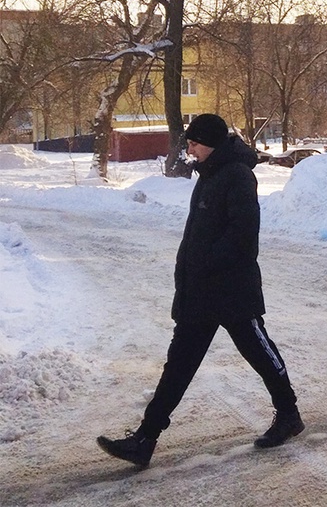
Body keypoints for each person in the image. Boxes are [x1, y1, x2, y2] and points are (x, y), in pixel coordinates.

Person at [97, 113, 304, 468]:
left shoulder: (238, 176)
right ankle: (145, 439)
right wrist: (188, 272)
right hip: (200, 292)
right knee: (178, 365)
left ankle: (289, 414)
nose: (189, 148)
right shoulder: (209, 175)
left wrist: (207, 262)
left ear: (212, 143)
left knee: (258, 351)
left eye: (194, 143)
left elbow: (243, 237)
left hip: (231, 291)